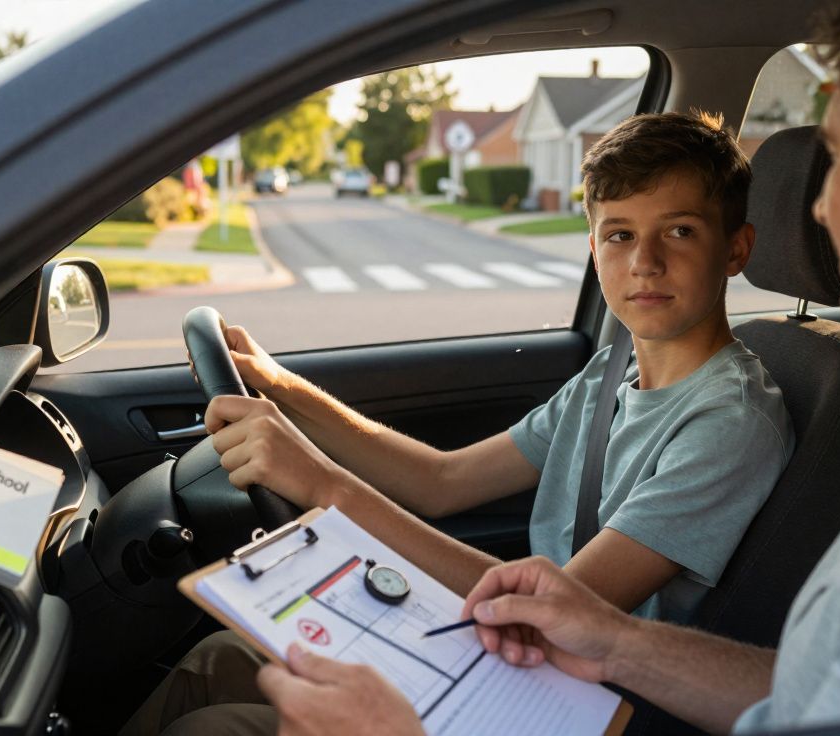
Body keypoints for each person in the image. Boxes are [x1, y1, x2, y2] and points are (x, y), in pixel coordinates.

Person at [249, 0, 840, 733]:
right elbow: (813, 697)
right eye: (618, 235)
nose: (819, 204)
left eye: (833, 159)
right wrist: (615, 639)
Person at [120, 111, 795, 735]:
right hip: (511, 654)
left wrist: (318, 481)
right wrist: (284, 388)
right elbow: (443, 481)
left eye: (679, 231)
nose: (644, 261)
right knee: (217, 660)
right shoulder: (608, 378)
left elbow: (558, 616)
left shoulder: (729, 421)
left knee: (212, 729)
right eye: (620, 234)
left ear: (736, 249)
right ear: (594, 248)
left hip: (578, 695)